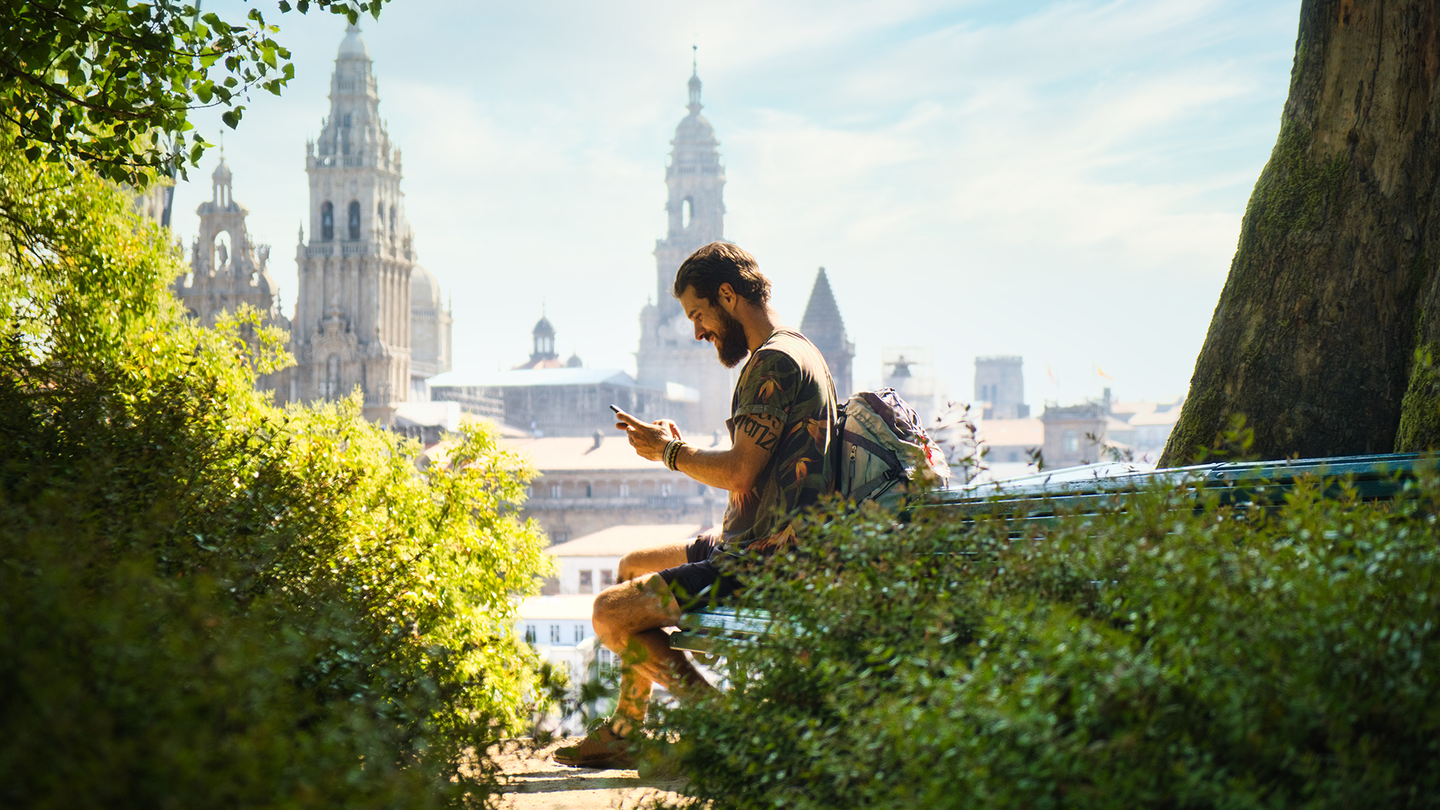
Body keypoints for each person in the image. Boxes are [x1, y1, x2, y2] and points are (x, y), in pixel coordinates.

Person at [554, 241, 838, 768]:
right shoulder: (798, 350)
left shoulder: (774, 361)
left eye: (699, 314)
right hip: (751, 541)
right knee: (630, 568)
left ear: (728, 295)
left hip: (765, 561)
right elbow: (751, 468)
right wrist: (679, 449)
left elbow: (738, 471)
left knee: (609, 615)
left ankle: (722, 727)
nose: (698, 332)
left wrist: (669, 452)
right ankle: (625, 730)